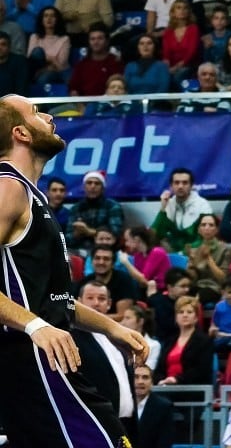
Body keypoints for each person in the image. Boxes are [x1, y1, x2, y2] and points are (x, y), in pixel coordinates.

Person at [0, 94, 147, 448]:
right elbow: (39, 314)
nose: (49, 117)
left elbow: (55, 298)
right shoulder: (9, 188)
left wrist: (111, 327)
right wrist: (36, 326)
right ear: (20, 132)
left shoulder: (32, 197)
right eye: (36, 113)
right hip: (31, 356)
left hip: (39, 357)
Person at [72, 281, 138, 440]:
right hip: (95, 423)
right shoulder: (73, 337)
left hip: (125, 423)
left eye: (101, 298)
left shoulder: (117, 338)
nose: (96, 303)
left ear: (109, 304)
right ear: (79, 302)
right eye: (90, 298)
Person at [154, 295, 214, 386]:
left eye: (189, 312)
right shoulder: (169, 341)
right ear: (176, 317)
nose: (185, 315)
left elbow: (201, 370)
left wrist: (176, 379)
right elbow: (159, 369)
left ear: (196, 317)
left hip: (192, 388)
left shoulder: (204, 341)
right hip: (166, 387)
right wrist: (161, 380)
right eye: (181, 312)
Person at [152, 167, 214, 251]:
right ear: (171, 186)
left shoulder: (202, 205)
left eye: (185, 183)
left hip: (194, 253)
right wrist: (163, 208)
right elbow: (154, 234)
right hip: (172, 253)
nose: (180, 186)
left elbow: (205, 238)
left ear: (191, 186)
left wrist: (182, 254)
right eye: (176, 183)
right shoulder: (168, 203)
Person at [77, 244, 138, 321]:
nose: (101, 262)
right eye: (97, 258)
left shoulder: (125, 281)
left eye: (106, 259)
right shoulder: (84, 282)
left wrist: (92, 320)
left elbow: (123, 315)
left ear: (113, 263)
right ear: (91, 261)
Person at [67, 169, 124, 250]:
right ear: (84, 187)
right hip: (80, 251)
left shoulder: (112, 206)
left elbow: (115, 234)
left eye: (97, 183)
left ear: (103, 188)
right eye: (89, 183)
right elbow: (66, 240)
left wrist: (89, 232)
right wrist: (76, 234)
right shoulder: (75, 209)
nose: (93, 186)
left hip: (107, 251)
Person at [184, 214, 231, 302]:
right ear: (199, 230)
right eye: (203, 225)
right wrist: (190, 265)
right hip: (198, 285)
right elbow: (193, 278)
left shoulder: (225, 249)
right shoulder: (196, 249)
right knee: (181, 295)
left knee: (197, 299)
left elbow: (223, 279)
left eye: (211, 225)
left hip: (215, 287)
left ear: (217, 229)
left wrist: (208, 258)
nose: (207, 228)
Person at [118, 225, 172, 294]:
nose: (126, 244)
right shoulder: (138, 255)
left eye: (127, 240)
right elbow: (139, 281)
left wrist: (126, 262)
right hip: (146, 289)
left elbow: (143, 279)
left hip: (161, 291)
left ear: (137, 239)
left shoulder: (157, 252)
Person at [134, 364, 175, 448]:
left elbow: (164, 443)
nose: (140, 381)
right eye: (135, 377)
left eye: (145, 377)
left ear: (152, 383)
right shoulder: (121, 405)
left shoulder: (163, 407)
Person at [162, 0, 201, 83]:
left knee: (178, 75)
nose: (182, 10)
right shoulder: (168, 32)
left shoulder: (193, 29)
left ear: (188, 11)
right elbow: (166, 54)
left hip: (189, 65)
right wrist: (166, 69)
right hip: (172, 66)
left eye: (185, 8)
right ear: (173, 12)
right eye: (178, 8)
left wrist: (176, 68)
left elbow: (192, 52)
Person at [121, 303, 163, 371]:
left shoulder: (154, 345)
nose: (122, 322)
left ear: (140, 321)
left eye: (128, 318)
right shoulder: (119, 342)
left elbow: (149, 369)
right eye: (123, 318)